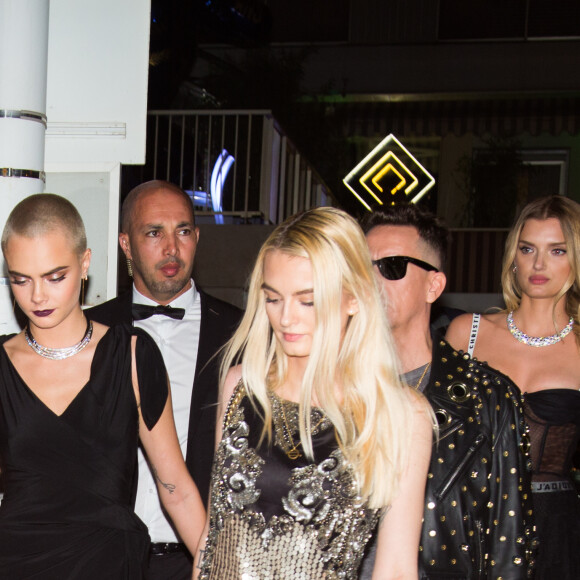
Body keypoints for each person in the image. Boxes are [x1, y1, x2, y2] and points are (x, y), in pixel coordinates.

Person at [193, 206, 433, 579]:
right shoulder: (241, 385)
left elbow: (397, 568)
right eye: (273, 298)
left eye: (308, 300)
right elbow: (213, 536)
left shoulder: (401, 413)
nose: (286, 318)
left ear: (353, 297)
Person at [0, 194, 204, 579]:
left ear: (85, 264)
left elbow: (176, 488)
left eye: (55, 276)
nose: (37, 296)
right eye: (20, 279)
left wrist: (219, 571)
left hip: (107, 564)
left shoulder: (131, 355)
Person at [361, 203, 536, 579]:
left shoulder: (487, 397)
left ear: (434, 285)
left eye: (391, 267)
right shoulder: (327, 387)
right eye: (361, 267)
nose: (371, 281)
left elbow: (509, 548)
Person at [87, 180, 241, 579]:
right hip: (103, 558)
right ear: (126, 244)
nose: (172, 249)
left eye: (183, 231)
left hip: (199, 559)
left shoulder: (243, 333)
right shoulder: (90, 332)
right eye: (154, 233)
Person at [446, 195, 580, 579]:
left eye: (557, 250)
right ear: (513, 258)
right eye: (528, 249)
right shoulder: (466, 333)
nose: (538, 264)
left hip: (556, 530)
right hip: (469, 520)